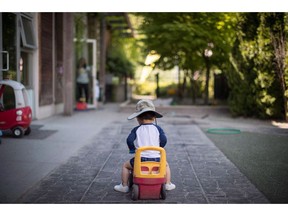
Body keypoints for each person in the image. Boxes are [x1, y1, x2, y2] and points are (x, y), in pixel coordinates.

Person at [114, 99, 176, 193]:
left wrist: (132, 149)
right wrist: (159, 147)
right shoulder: (158, 129)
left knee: (125, 166)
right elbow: (164, 140)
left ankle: (124, 186)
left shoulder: (136, 129)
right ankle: (168, 184)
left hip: (140, 160)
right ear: (154, 118)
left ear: (138, 118)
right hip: (157, 159)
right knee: (166, 165)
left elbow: (129, 140)